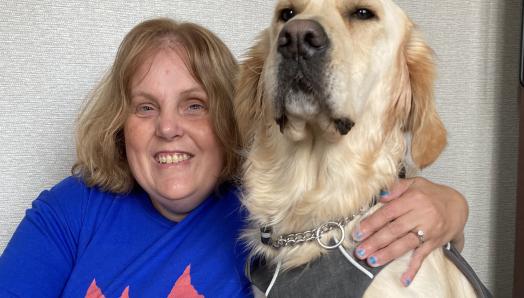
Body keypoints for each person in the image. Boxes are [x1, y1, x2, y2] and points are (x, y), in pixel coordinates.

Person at [0, 17, 468, 297]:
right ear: (120, 124)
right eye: (146, 108)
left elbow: (381, 229)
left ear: (232, 116)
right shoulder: (71, 210)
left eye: (194, 105)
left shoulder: (281, 217)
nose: (167, 128)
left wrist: (450, 208)